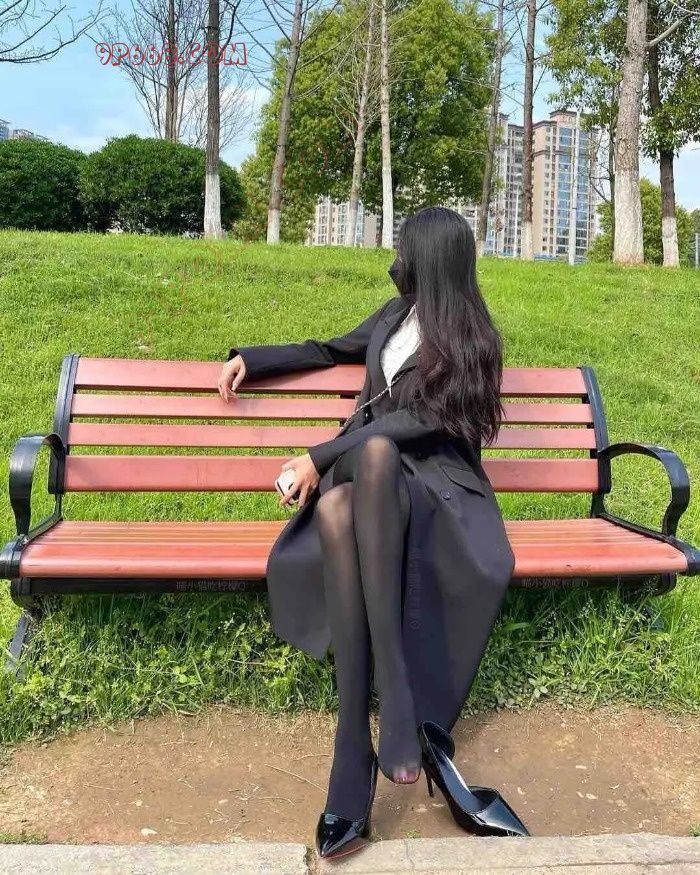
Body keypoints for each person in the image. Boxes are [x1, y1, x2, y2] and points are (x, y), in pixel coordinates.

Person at [217, 206, 529, 859]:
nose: (395, 261)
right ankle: (393, 699)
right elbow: (329, 350)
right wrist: (252, 358)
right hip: (374, 472)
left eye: (404, 250)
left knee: (340, 507)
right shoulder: (393, 318)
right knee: (369, 466)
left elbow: (418, 423)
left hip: (435, 488)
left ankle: (352, 752)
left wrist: (320, 457)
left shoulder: (473, 337)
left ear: (430, 259)